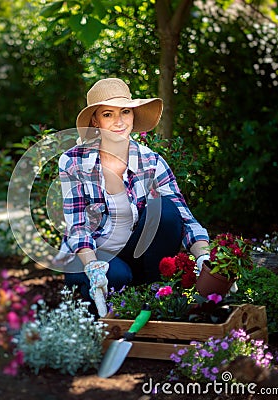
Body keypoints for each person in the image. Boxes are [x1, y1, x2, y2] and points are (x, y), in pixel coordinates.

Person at [54, 77, 210, 316]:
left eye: (125, 112)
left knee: (167, 211)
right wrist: (93, 266)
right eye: (108, 114)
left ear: (133, 115)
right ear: (95, 120)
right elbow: (77, 226)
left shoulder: (152, 161)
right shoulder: (73, 161)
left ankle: (153, 294)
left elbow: (184, 218)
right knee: (115, 276)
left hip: (131, 250)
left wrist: (203, 258)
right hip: (89, 253)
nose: (119, 122)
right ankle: (96, 302)